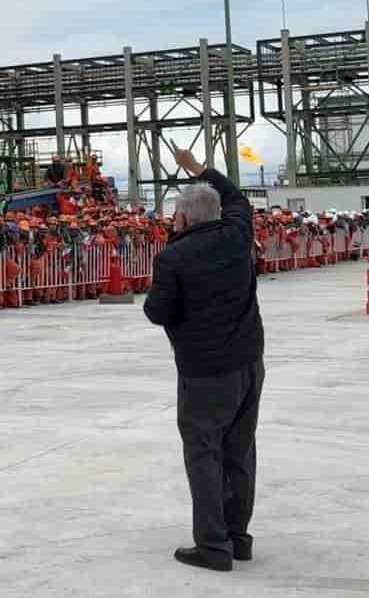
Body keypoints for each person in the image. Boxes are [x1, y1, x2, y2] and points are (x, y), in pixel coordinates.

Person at [144, 148, 264, 572]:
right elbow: (238, 197)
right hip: (249, 362)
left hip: (204, 371)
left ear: (182, 219)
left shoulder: (173, 257)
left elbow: (156, 312)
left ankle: (213, 546)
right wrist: (200, 170)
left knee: (203, 453)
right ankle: (238, 537)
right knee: (240, 450)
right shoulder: (237, 234)